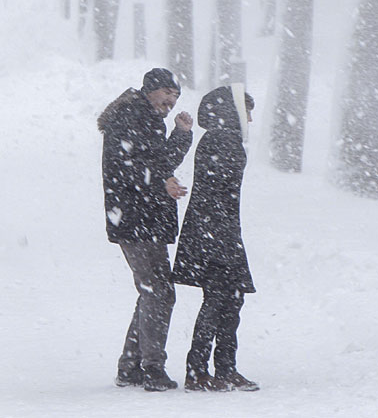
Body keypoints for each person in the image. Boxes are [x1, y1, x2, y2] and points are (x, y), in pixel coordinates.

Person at [97, 68, 194, 392]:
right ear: (150, 90)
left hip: (145, 219)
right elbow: (123, 167)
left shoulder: (148, 119)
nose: (171, 101)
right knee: (158, 292)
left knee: (154, 291)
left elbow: (159, 163)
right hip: (134, 219)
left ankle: (130, 366)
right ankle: (152, 368)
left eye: (176, 96)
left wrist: (181, 134)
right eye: (167, 93)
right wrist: (160, 181)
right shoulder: (129, 117)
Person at [172, 84, 260, 392]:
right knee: (220, 300)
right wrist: (220, 237)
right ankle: (201, 371)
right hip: (215, 234)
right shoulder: (223, 140)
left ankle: (222, 368)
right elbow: (217, 193)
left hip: (217, 231)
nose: (250, 120)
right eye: (247, 112)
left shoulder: (221, 138)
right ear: (232, 111)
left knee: (229, 299)